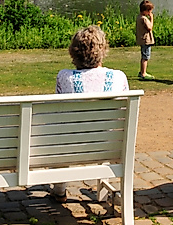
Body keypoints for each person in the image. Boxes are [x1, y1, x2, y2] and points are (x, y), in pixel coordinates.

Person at [52, 25, 129, 201]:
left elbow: (58, 113)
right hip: (109, 146)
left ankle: (59, 189)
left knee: (62, 132)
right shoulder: (119, 77)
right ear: (102, 50)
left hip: (71, 145)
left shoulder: (65, 76)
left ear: (73, 52)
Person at [136, 0, 155, 80]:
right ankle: (143, 73)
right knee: (145, 57)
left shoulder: (139, 17)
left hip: (141, 39)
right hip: (146, 40)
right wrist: (151, 18)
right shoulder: (144, 19)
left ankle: (142, 71)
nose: (150, 12)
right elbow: (150, 27)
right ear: (145, 11)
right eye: (149, 11)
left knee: (144, 55)